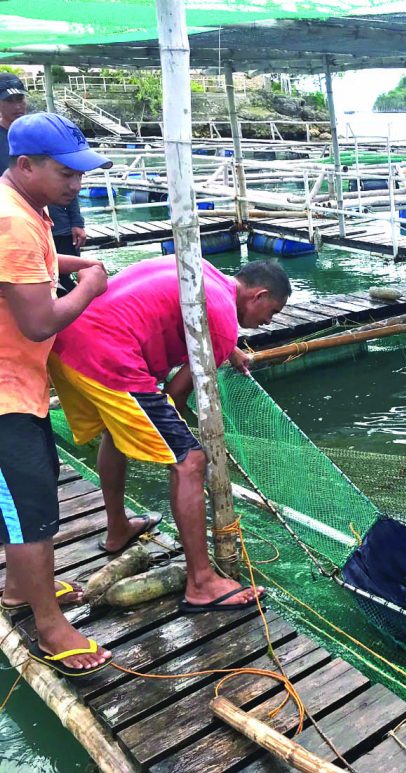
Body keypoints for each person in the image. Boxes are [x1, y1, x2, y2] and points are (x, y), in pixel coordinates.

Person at [48, 255, 291, 612]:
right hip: (110, 359)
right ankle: (201, 583)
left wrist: (229, 349)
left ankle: (118, 528)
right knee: (189, 460)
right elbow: (175, 394)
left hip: (70, 343)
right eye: (271, 312)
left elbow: (183, 311)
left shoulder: (199, 267)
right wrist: (178, 434)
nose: (267, 322)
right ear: (258, 295)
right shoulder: (223, 320)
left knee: (116, 433)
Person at [0, 112, 112, 675]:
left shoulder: (25, 209)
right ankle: (49, 627)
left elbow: (36, 267)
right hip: (3, 397)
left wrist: (75, 261)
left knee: (28, 500)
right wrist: (90, 285)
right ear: (26, 165)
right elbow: (40, 321)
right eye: (66, 173)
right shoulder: (11, 223)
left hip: (22, 385)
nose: (76, 184)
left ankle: (21, 592)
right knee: (30, 512)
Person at [0, 73, 89, 295]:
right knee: (44, 289)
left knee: (59, 281)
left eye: (19, 99)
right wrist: (90, 288)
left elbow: (70, 174)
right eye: (9, 100)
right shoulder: (11, 218)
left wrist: (76, 220)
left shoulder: (47, 132)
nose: (16, 106)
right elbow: (39, 323)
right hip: (23, 223)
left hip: (53, 221)